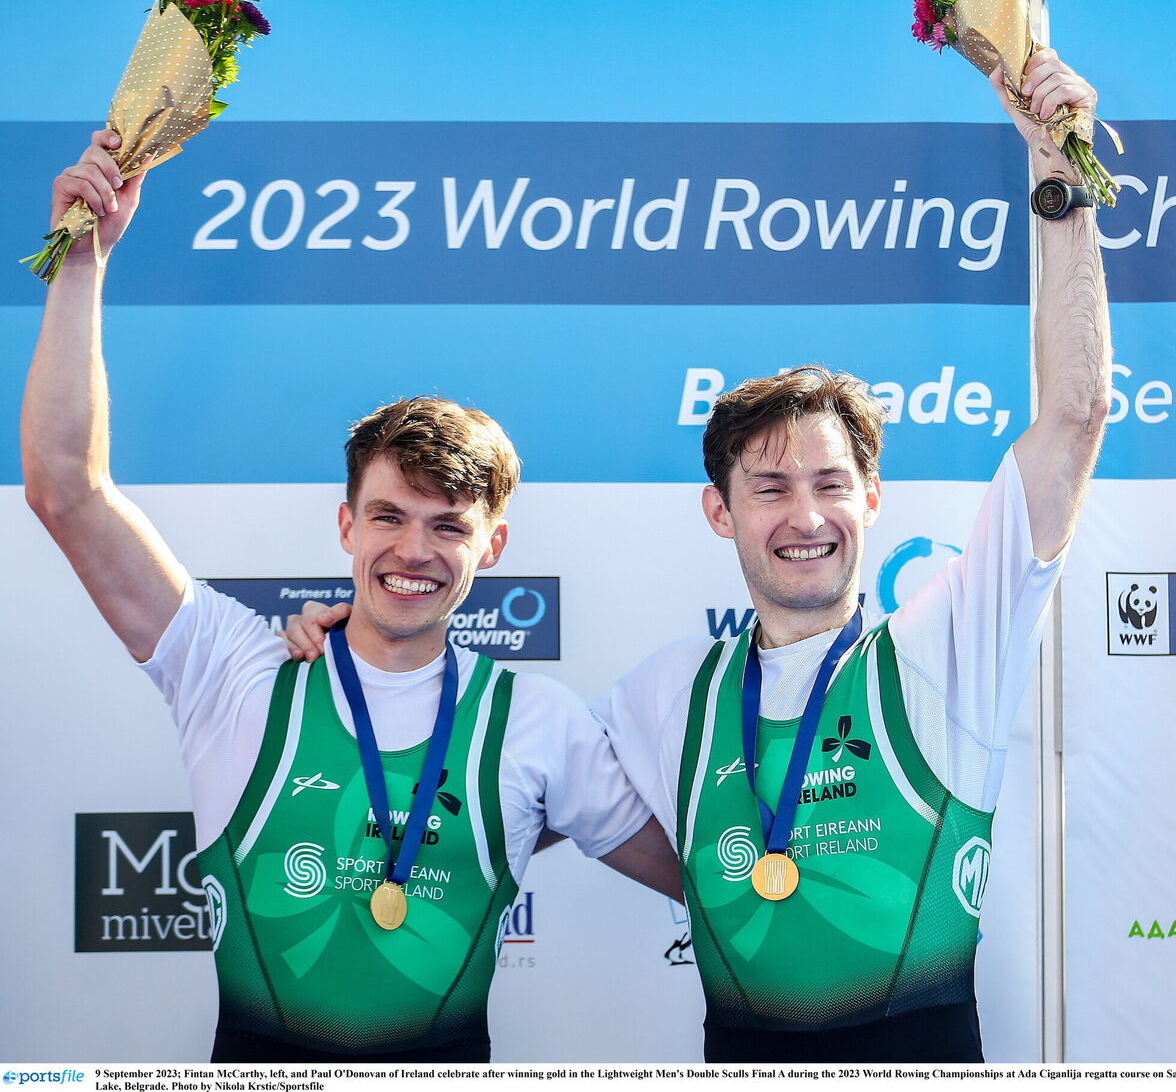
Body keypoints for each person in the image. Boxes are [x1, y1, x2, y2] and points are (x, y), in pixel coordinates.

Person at [286, 49, 1111, 1063]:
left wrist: (1058, 165)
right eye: (769, 487)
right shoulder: (666, 694)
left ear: (872, 499)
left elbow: (1073, 417)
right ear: (720, 512)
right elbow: (485, 768)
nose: (804, 515)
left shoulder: (947, 644)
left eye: (828, 484)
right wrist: (361, 644)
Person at [21, 132, 681, 1063]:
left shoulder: (537, 722)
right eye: (389, 516)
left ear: (492, 545)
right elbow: (65, 487)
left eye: (448, 525)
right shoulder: (235, 669)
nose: (414, 550)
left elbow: (717, 893)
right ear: (345, 525)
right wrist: (81, 264)